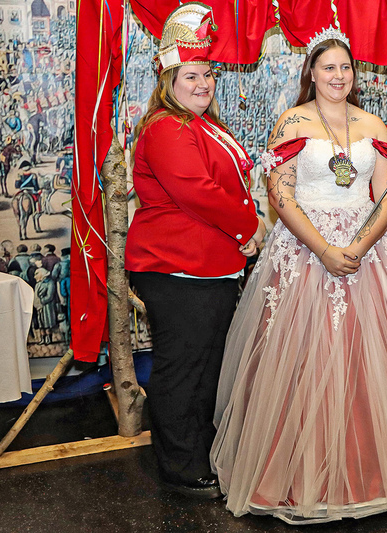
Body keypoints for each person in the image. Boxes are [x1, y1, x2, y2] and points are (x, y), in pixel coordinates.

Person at [211, 22, 387, 524]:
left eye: (345, 67)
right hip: (305, 251)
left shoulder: (373, 125)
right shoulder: (292, 122)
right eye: (329, 67)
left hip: (367, 253)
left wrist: (360, 245)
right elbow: (281, 194)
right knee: (307, 353)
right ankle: (300, 473)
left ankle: (377, 467)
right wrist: (323, 248)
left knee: (374, 354)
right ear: (312, 72)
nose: (338, 75)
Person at [124, 3, 265, 499]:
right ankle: (180, 467)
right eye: (191, 75)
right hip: (177, 268)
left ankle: (198, 454)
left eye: (207, 74)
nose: (203, 83)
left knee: (205, 368)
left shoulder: (200, 124)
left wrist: (243, 232)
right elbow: (198, 192)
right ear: (169, 80)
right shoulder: (167, 127)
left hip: (208, 268)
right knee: (183, 369)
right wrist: (250, 226)